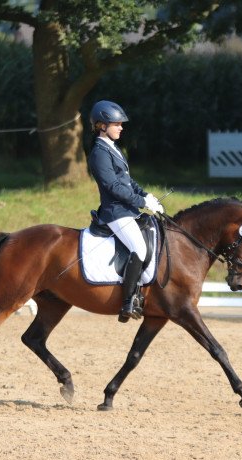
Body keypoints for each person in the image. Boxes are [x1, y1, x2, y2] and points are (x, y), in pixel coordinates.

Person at [87, 100, 164, 322]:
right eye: (117, 124)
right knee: (138, 248)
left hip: (128, 208)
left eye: (121, 124)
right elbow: (113, 187)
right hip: (115, 212)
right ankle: (128, 301)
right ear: (102, 125)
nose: (121, 128)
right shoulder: (99, 153)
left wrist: (146, 195)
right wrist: (141, 201)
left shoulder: (113, 148)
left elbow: (127, 181)